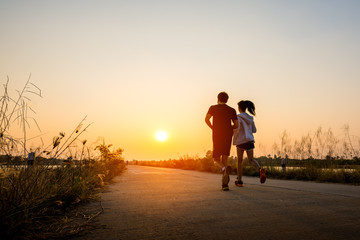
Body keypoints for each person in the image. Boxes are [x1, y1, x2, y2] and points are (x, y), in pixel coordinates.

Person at [205, 92, 238, 191]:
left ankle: (224, 169)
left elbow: (206, 119)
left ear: (217, 98)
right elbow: (236, 125)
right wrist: (229, 129)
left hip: (217, 135)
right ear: (227, 100)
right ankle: (225, 185)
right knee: (224, 159)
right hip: (228, 135)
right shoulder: (232, 110)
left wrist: (213, 128)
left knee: (216, 160)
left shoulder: (213, 108)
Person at [233, 100, 266, 187]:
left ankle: (239, 181)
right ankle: (260, 170)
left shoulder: (238, 117)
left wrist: (232, 132)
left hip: (241, 141)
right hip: (250, 140)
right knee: (251, 160)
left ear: (239, 108)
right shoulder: (250, 118)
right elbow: (254, 130)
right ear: (246, 108)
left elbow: (237, 128)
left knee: (239, 161)